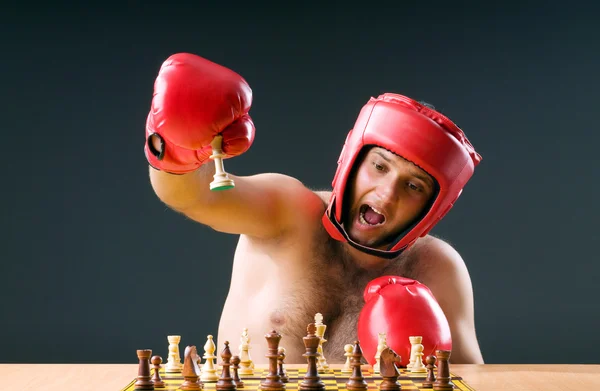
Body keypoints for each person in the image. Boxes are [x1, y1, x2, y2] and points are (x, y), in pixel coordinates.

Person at [145, 53, 485, 366]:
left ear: (433, 207)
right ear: (351, 162)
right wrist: (174, 148)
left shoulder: (437, 268)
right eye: (379, 167)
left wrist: (433, 361)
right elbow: (193, 197)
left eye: (413, 186)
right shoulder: (288, 211)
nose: (386, 193)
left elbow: (480, 382)